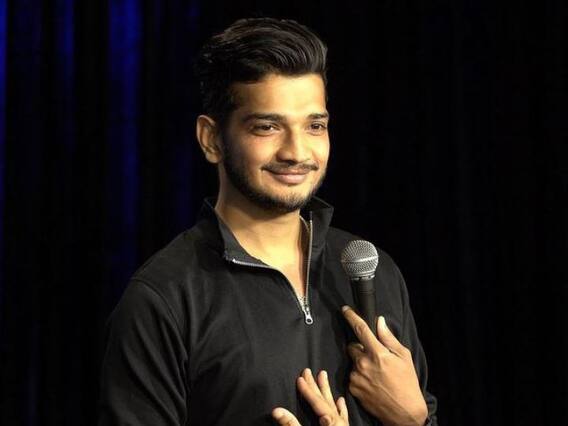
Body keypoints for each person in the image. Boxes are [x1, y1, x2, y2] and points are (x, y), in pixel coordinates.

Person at [98, 17, 437, 426]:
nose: (297, 152)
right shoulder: (165, 298)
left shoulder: (373, 269)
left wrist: (413, 418)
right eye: (268, 127)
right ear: (211, 139)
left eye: (315, 126)